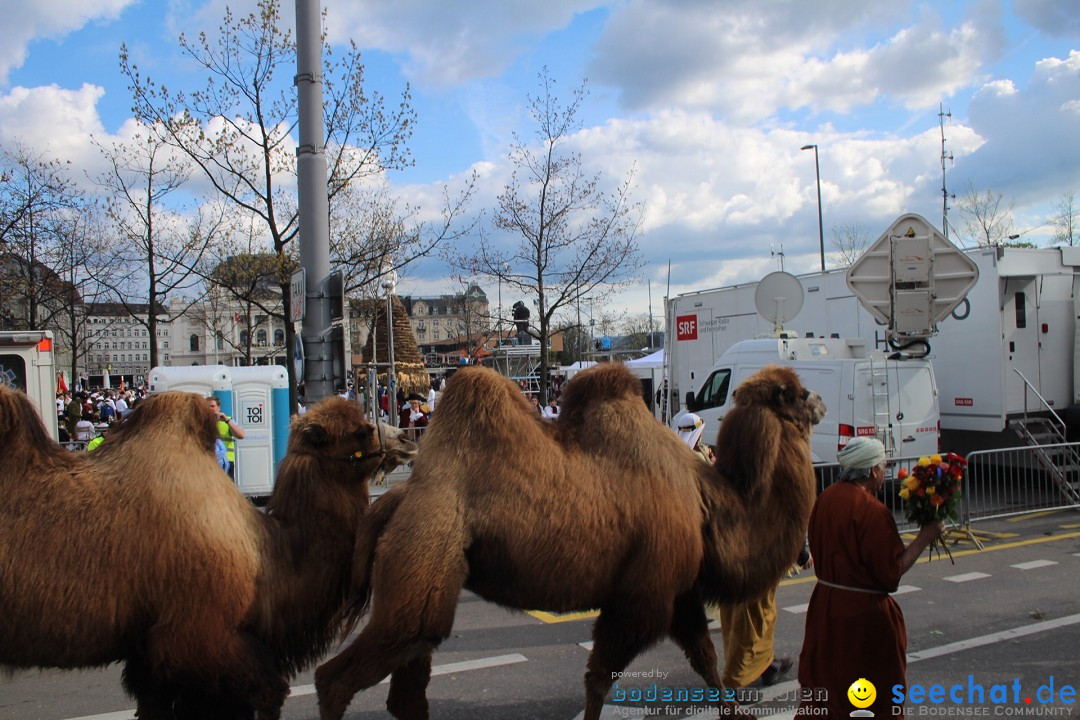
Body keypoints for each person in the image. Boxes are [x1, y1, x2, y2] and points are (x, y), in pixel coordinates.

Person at [797, 437, 944, 718]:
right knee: (868, 694)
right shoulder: (871, 511)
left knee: (828, 690)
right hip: (862, 619)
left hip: (825, 609)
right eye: (883, 466)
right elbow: (891, 575)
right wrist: (926, 536)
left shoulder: (825, 499)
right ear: (872, 470)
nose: (884, 472)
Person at [207, 396, 246, 479]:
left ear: (219, 407)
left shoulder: (227, 420)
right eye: (207, 407)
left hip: (226, 461)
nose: (210, 409)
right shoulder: (201, 423)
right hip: (209, 462)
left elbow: (241, 435)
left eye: (212, 406)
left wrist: (227, 421)